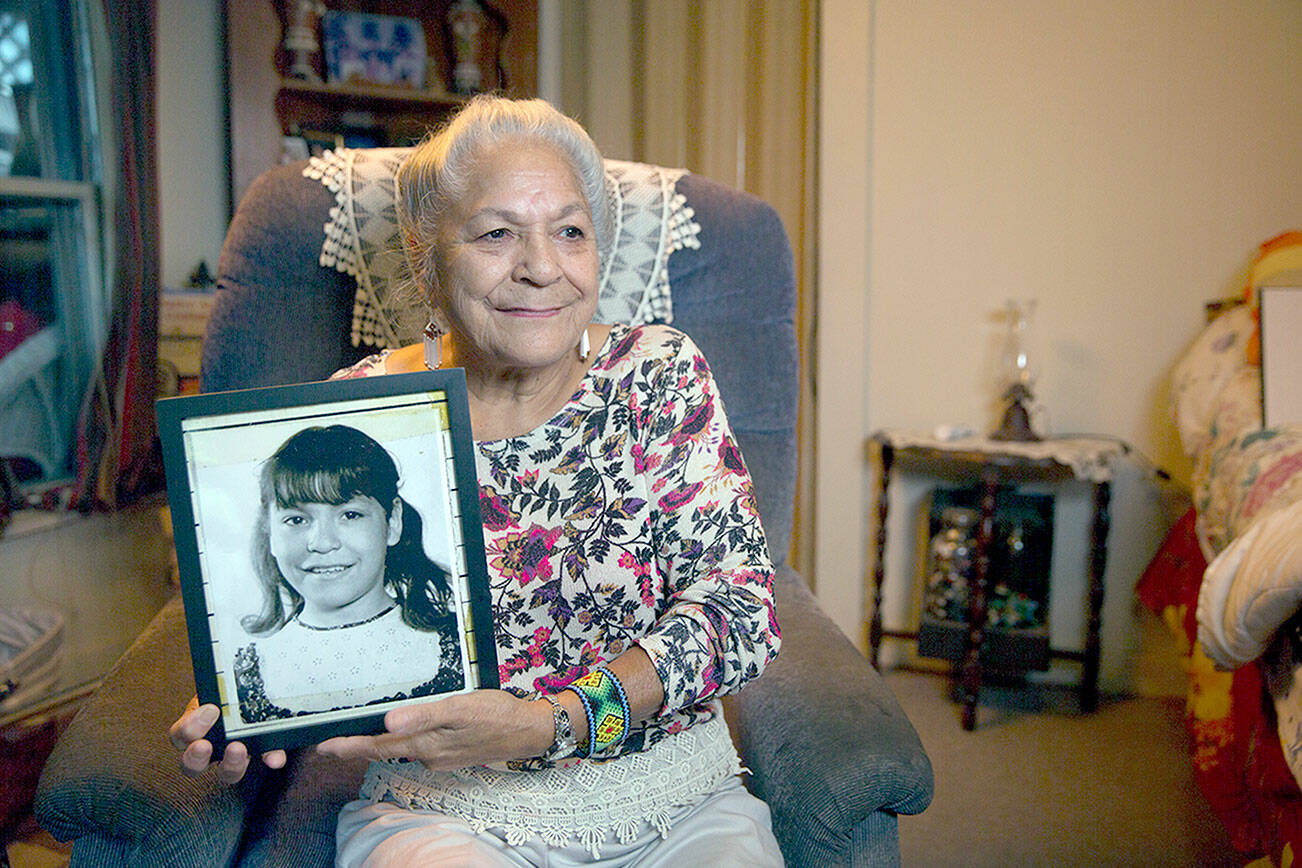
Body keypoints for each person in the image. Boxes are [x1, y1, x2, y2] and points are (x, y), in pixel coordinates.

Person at [171, 95, 783, 866]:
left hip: (674, 801)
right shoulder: (359, 412)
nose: (541, 266)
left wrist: (550, 722)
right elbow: (309, 604)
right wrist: (248, 708)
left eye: (570, 232)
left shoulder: (656, 374)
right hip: (443, 810)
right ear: (429, 265)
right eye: (497, 234)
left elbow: (740, 612)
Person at [230, 424, 461, 724]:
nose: (323, 543)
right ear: (269, 532)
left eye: (350, 515)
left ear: (392, 521)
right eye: (296, 519)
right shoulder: (249, 673)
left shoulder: (456, 646)